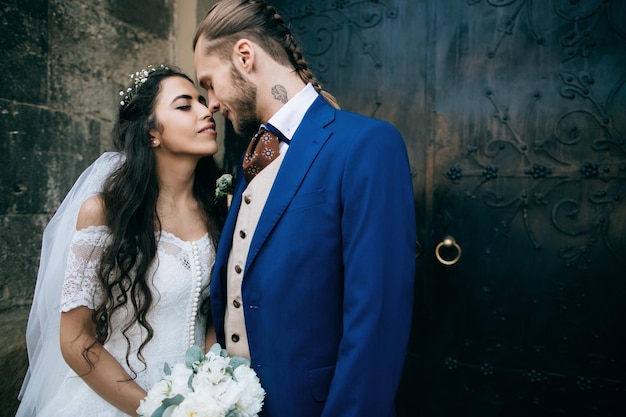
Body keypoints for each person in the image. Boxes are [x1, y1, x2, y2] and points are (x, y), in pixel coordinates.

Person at [193, 1, 416, 416]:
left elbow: (377, 319)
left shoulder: (365, 145)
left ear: (245, 56)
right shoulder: (251, 159)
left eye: (209, 82)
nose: (211, 103)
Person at [16, 65, 227, 416]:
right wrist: (159, 410)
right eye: (184, 105)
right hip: (116, 402)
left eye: (203, 102)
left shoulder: (219, 209)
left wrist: (209, 391)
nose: (207, 111)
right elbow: (74, 341)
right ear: (151, 133)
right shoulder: (105, 213)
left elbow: (211, 315)